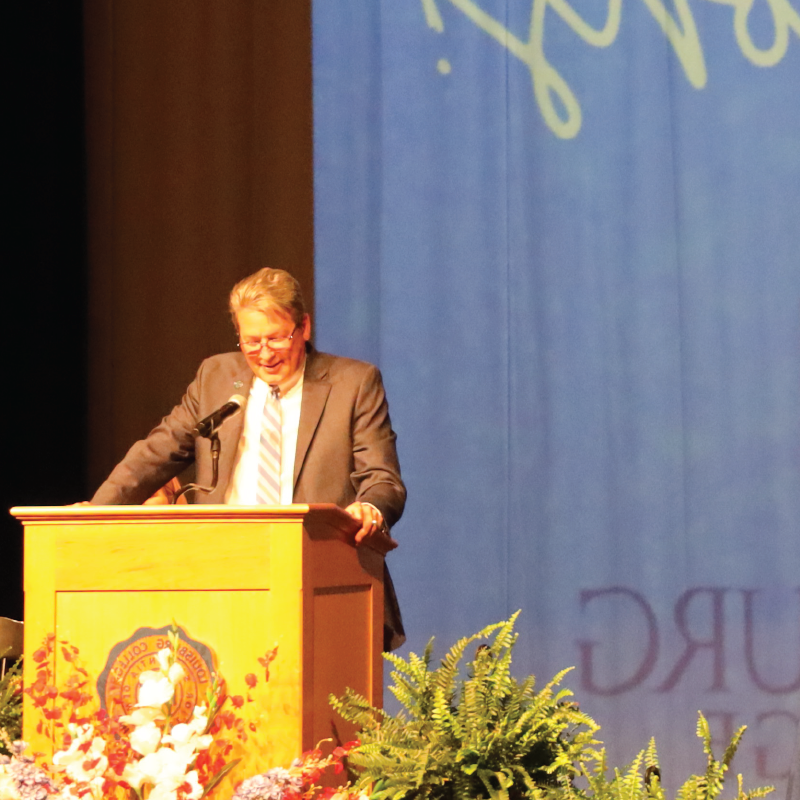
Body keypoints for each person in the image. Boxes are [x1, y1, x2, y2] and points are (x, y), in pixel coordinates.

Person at [91, 267, 406, 648]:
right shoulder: (216, 377)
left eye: (276, 339)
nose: (264, 354)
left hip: (319, 575)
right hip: (221, 574)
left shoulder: (353, 383)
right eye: (251, 341)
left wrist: (370, 509)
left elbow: (382, 479)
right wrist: (93, 515)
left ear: (304, 327)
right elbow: (155, 454)